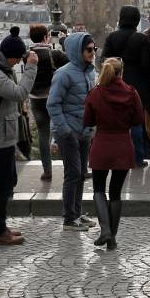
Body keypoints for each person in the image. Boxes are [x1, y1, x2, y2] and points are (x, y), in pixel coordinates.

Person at [0, 34, 38, 246]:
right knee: (1, 188)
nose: (19, 62)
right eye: (17, 59)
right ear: (7, 56)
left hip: (3, 136)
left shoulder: (1, 68)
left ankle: (0, 225)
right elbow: (20, 94)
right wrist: (31, 68)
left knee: (8, 182)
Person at [84, 57, 144, 250]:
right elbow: (137, 120)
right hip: (122, 145)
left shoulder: (95, 93)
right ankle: (112, 237)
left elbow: (88, 120)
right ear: (121, 73)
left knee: (99, 189)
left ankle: (105, 230)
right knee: (116, 192)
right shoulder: (132, 93)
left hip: (101, 144)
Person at [48, 32, 98, 231]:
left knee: (81, 174)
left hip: (85, 132)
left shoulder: (90, 71)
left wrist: (91, 127)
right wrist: (65, 130)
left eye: (94, 49)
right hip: (68, 132)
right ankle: (69, 218)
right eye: (88, 49)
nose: (92, 53)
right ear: (78, 51)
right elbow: (52, 104)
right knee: (73, 174)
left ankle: (76, 213)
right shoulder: (64, 73)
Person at [103, 5, 150, 167]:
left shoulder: (112, 38)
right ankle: (138, 158)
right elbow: (147, 65)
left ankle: (116, 157)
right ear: (137, 20)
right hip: (138, 85)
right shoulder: (141, 39)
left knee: (116, 124)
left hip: (116, 83)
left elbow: (104, 60)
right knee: (137, 123)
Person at [26, 23, 69, 182]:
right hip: (53, 98)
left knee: (44, 135)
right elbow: (72, 63)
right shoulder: (54, 54)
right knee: (63, 131)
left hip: (35, 99)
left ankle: (47, 170)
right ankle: (70, 167)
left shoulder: (27, 55)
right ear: (46, 37)